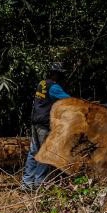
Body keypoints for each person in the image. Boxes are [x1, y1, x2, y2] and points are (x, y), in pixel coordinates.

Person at [20, 63, 70, 191]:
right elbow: (69, 101)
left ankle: (27, 183)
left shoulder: (42, 83)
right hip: (44, 124)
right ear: (56, 74)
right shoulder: (54, 87)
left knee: (33, 152)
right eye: (60, 74)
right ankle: (38, 185)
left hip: (36, 122)